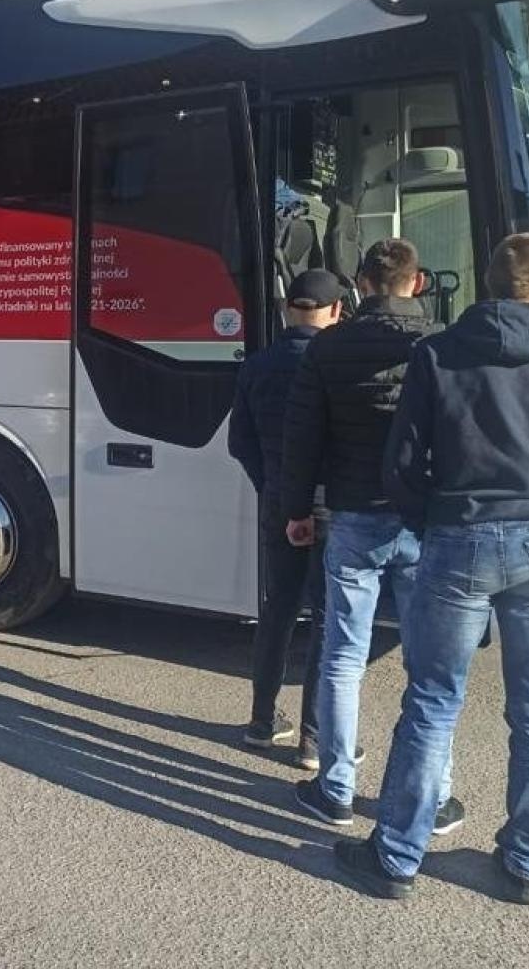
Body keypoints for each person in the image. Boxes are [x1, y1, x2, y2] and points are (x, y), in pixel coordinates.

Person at [335, 234, 529, 903]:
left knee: (433, 701)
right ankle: (526, 862)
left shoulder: (437, 355)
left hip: (458, 539)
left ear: (487, 282)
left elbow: (401, 464)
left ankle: (396, 858)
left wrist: (430, 519)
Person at [279, 238, 462, 830]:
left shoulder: (328, 349)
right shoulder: (441, 347)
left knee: (342, 654)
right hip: (422, 518)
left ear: (361, 283)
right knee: (428, 663)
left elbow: (302, 436)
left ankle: (334, 788)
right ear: (417, 282)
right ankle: (431, 799)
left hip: (353, 515)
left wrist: (297, 507)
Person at [228, 268, 343, 755]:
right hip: (330, 508)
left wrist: (269, 485)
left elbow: (240, 443)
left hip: (279, 504)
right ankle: (315, 739)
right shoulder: (337, 365)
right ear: (336, 311)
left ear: (286, 310)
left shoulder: (257, 365)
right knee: (326, 618)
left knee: (278, 608)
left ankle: (261, 719)